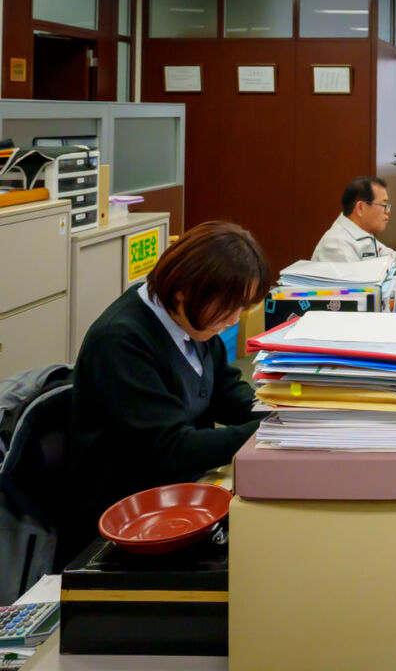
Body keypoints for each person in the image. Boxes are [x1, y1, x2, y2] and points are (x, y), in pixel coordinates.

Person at [59, 222, 273, 565]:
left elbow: (228, 392)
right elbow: (172, 448)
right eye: (228, 305)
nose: (234, 319)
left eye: (241, 307)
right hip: (127, 526)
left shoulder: (193, 324)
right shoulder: (121, 340)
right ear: (184, 290)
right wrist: (266, 430)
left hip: (180, 497)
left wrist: (279, 412)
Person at [313, 176, 396, 268]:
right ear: (360, 208)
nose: (387, 211)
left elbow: (394, 259)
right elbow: (355, 291)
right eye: (383, 205)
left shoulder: (362, 235)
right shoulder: (336, 244)